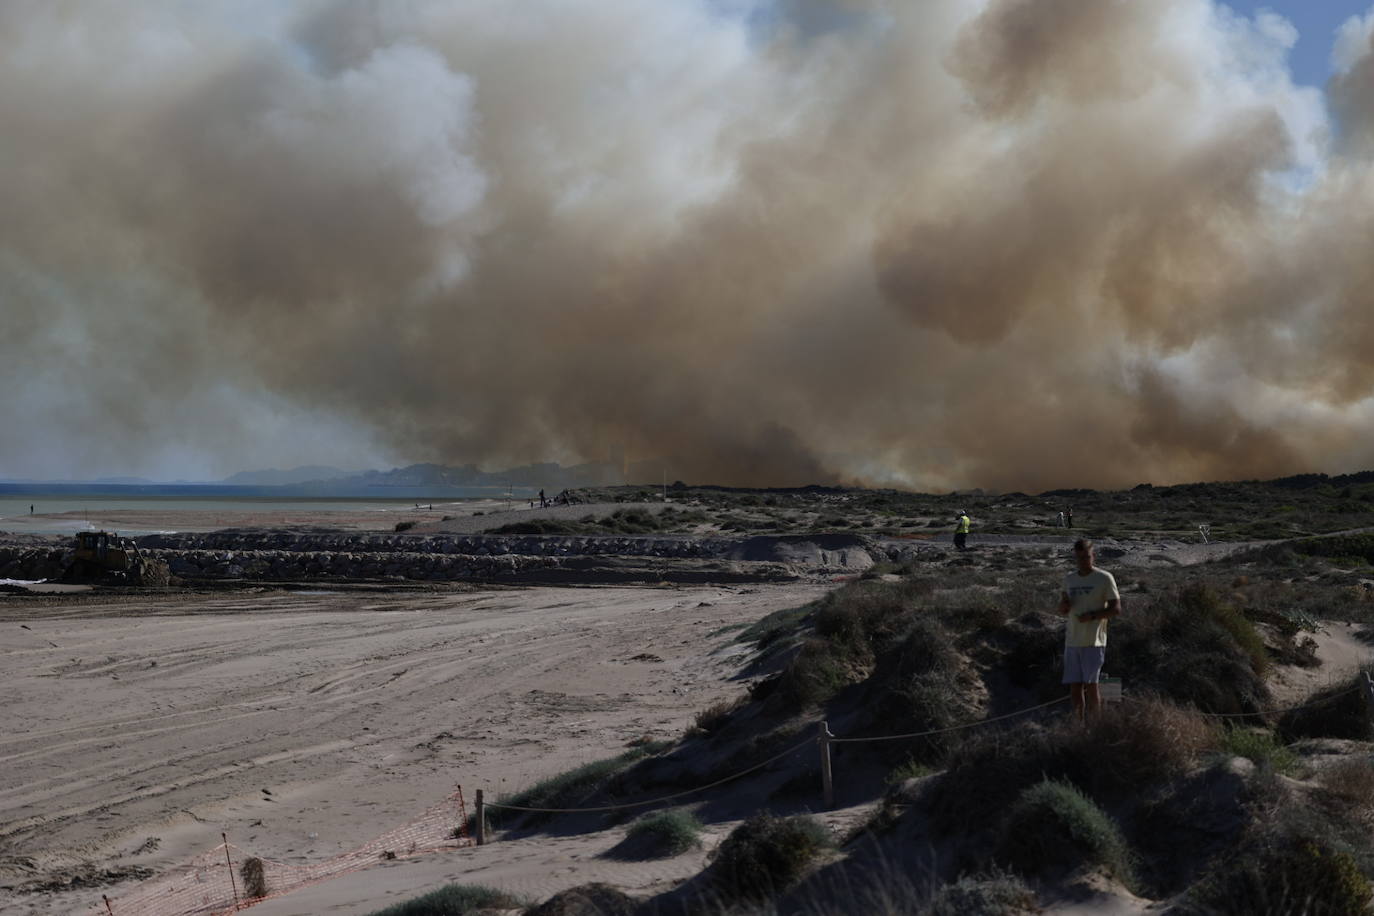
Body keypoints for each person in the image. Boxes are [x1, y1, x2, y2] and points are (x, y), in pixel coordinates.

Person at [1056, 538, 1121, 721]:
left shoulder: (1104, 578)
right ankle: (1078, 725)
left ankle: (1095, 725)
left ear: (1093, 556)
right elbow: (1062, 607)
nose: (1083, 561)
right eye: (1079, 558)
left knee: (1092, 685)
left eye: (1086, 557)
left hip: (1094, 641)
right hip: (1072, 640)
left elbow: (1116, 609)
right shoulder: (1069, 579)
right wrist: (1064, 606)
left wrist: (1092, 616)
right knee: (1074, 686)